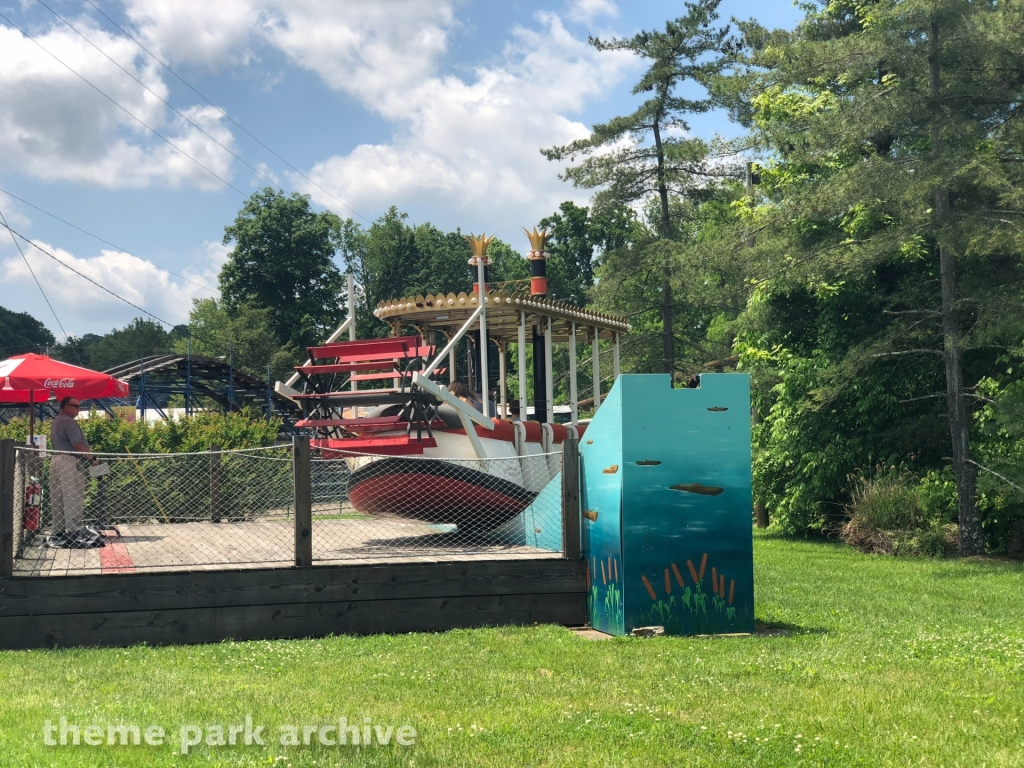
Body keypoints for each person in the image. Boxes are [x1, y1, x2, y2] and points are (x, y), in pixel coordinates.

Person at [49, 396, 96, 537]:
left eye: (79, 406)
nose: (78, 409)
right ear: (66, 407)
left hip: (56, 459)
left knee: (57, 497)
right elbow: (77, 444)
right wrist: (92, 458)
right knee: (73, 495)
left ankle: (58, 530)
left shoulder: (57, 421)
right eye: (76, 406)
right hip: (70, 461)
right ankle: (75, 530)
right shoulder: (68, 422)